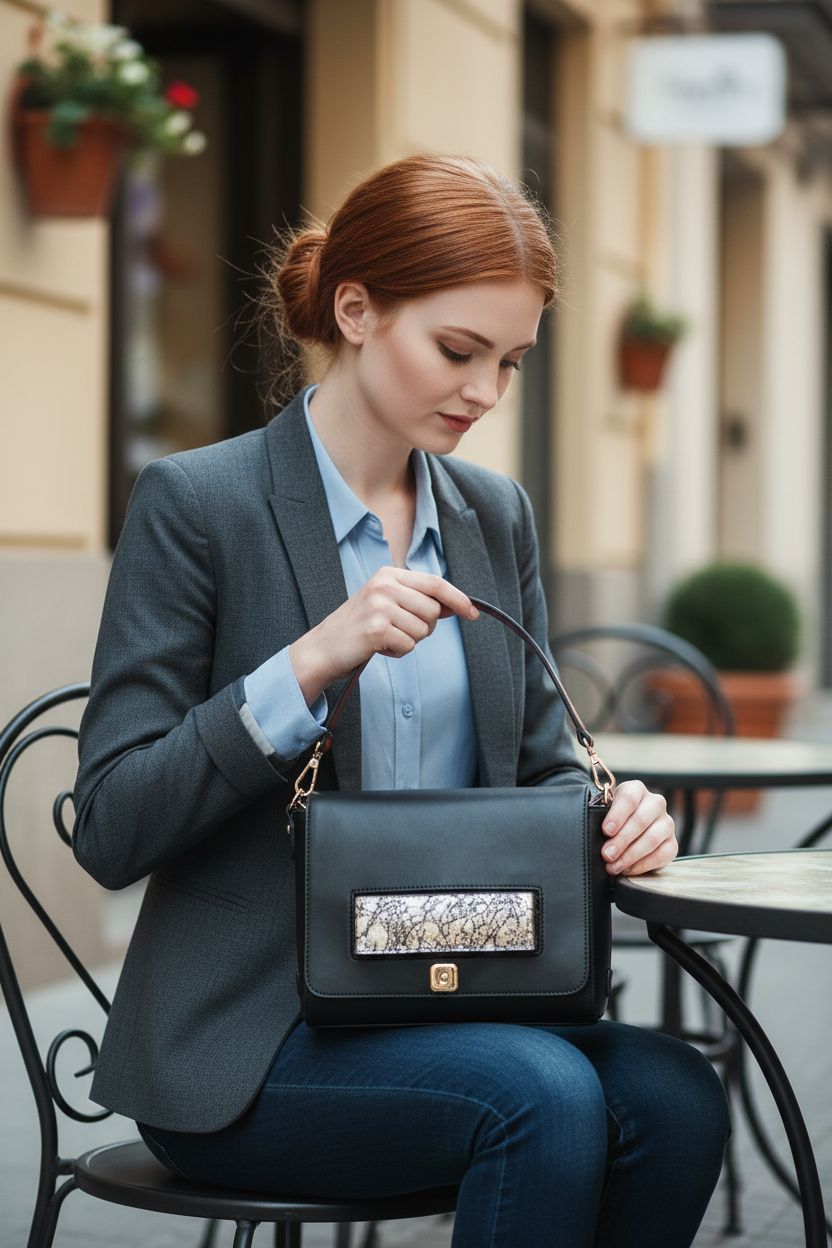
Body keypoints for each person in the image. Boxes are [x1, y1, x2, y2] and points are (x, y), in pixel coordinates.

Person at [73, 153, 729, 1247]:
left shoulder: (493, 514)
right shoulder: (199, 504)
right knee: (541, 1097)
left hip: (463, 989)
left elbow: (539, 763)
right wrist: (307, 664)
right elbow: (109, 825)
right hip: (252, 1038)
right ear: (357, 310)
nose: (485, 392)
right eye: (458, 351)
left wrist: (611, 816)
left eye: (510, 362)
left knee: (677, 1095)